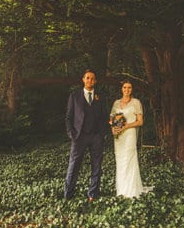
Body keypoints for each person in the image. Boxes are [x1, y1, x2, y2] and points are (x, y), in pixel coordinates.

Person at [65, 69, 110, 202]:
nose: (90, 80)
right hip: (79, 136)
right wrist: (72, 134)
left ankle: (93, 194)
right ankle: (68, 194)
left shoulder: (100, 97)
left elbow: (104, 116)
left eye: (92, 78)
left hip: (96, 137)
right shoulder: (74, 96)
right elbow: (68, 117)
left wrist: (102, 133)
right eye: (88, 78)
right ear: (83, 79)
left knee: (97, 165)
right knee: (74, 165)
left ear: (95, 81)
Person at [110, 80, 153, 198]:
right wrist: (113, 129)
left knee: (129, 159)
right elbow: (112, 119)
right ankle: (122, 189)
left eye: (129, 87)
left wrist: (126, 126)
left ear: (132, 89)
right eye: (125, 87)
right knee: (120, 160)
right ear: (121, 89)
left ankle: (131, 190)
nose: (127, 90)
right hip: (119, 136)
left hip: (130, 134)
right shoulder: (116, 103)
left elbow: (140, 121)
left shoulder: (136, 102)